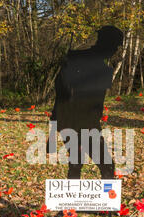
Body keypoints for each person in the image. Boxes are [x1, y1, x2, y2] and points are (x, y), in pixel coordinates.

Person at [47, 25, 123, 179]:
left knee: (77, 163)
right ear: (106, 43)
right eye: (115, 45)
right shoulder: (93, 65)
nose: (116, 50)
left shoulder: (81, 60)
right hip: (79, 122)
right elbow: (63, 95)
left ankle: (75, 200)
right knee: (104, 165)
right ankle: (103, 201)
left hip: (75, 122)